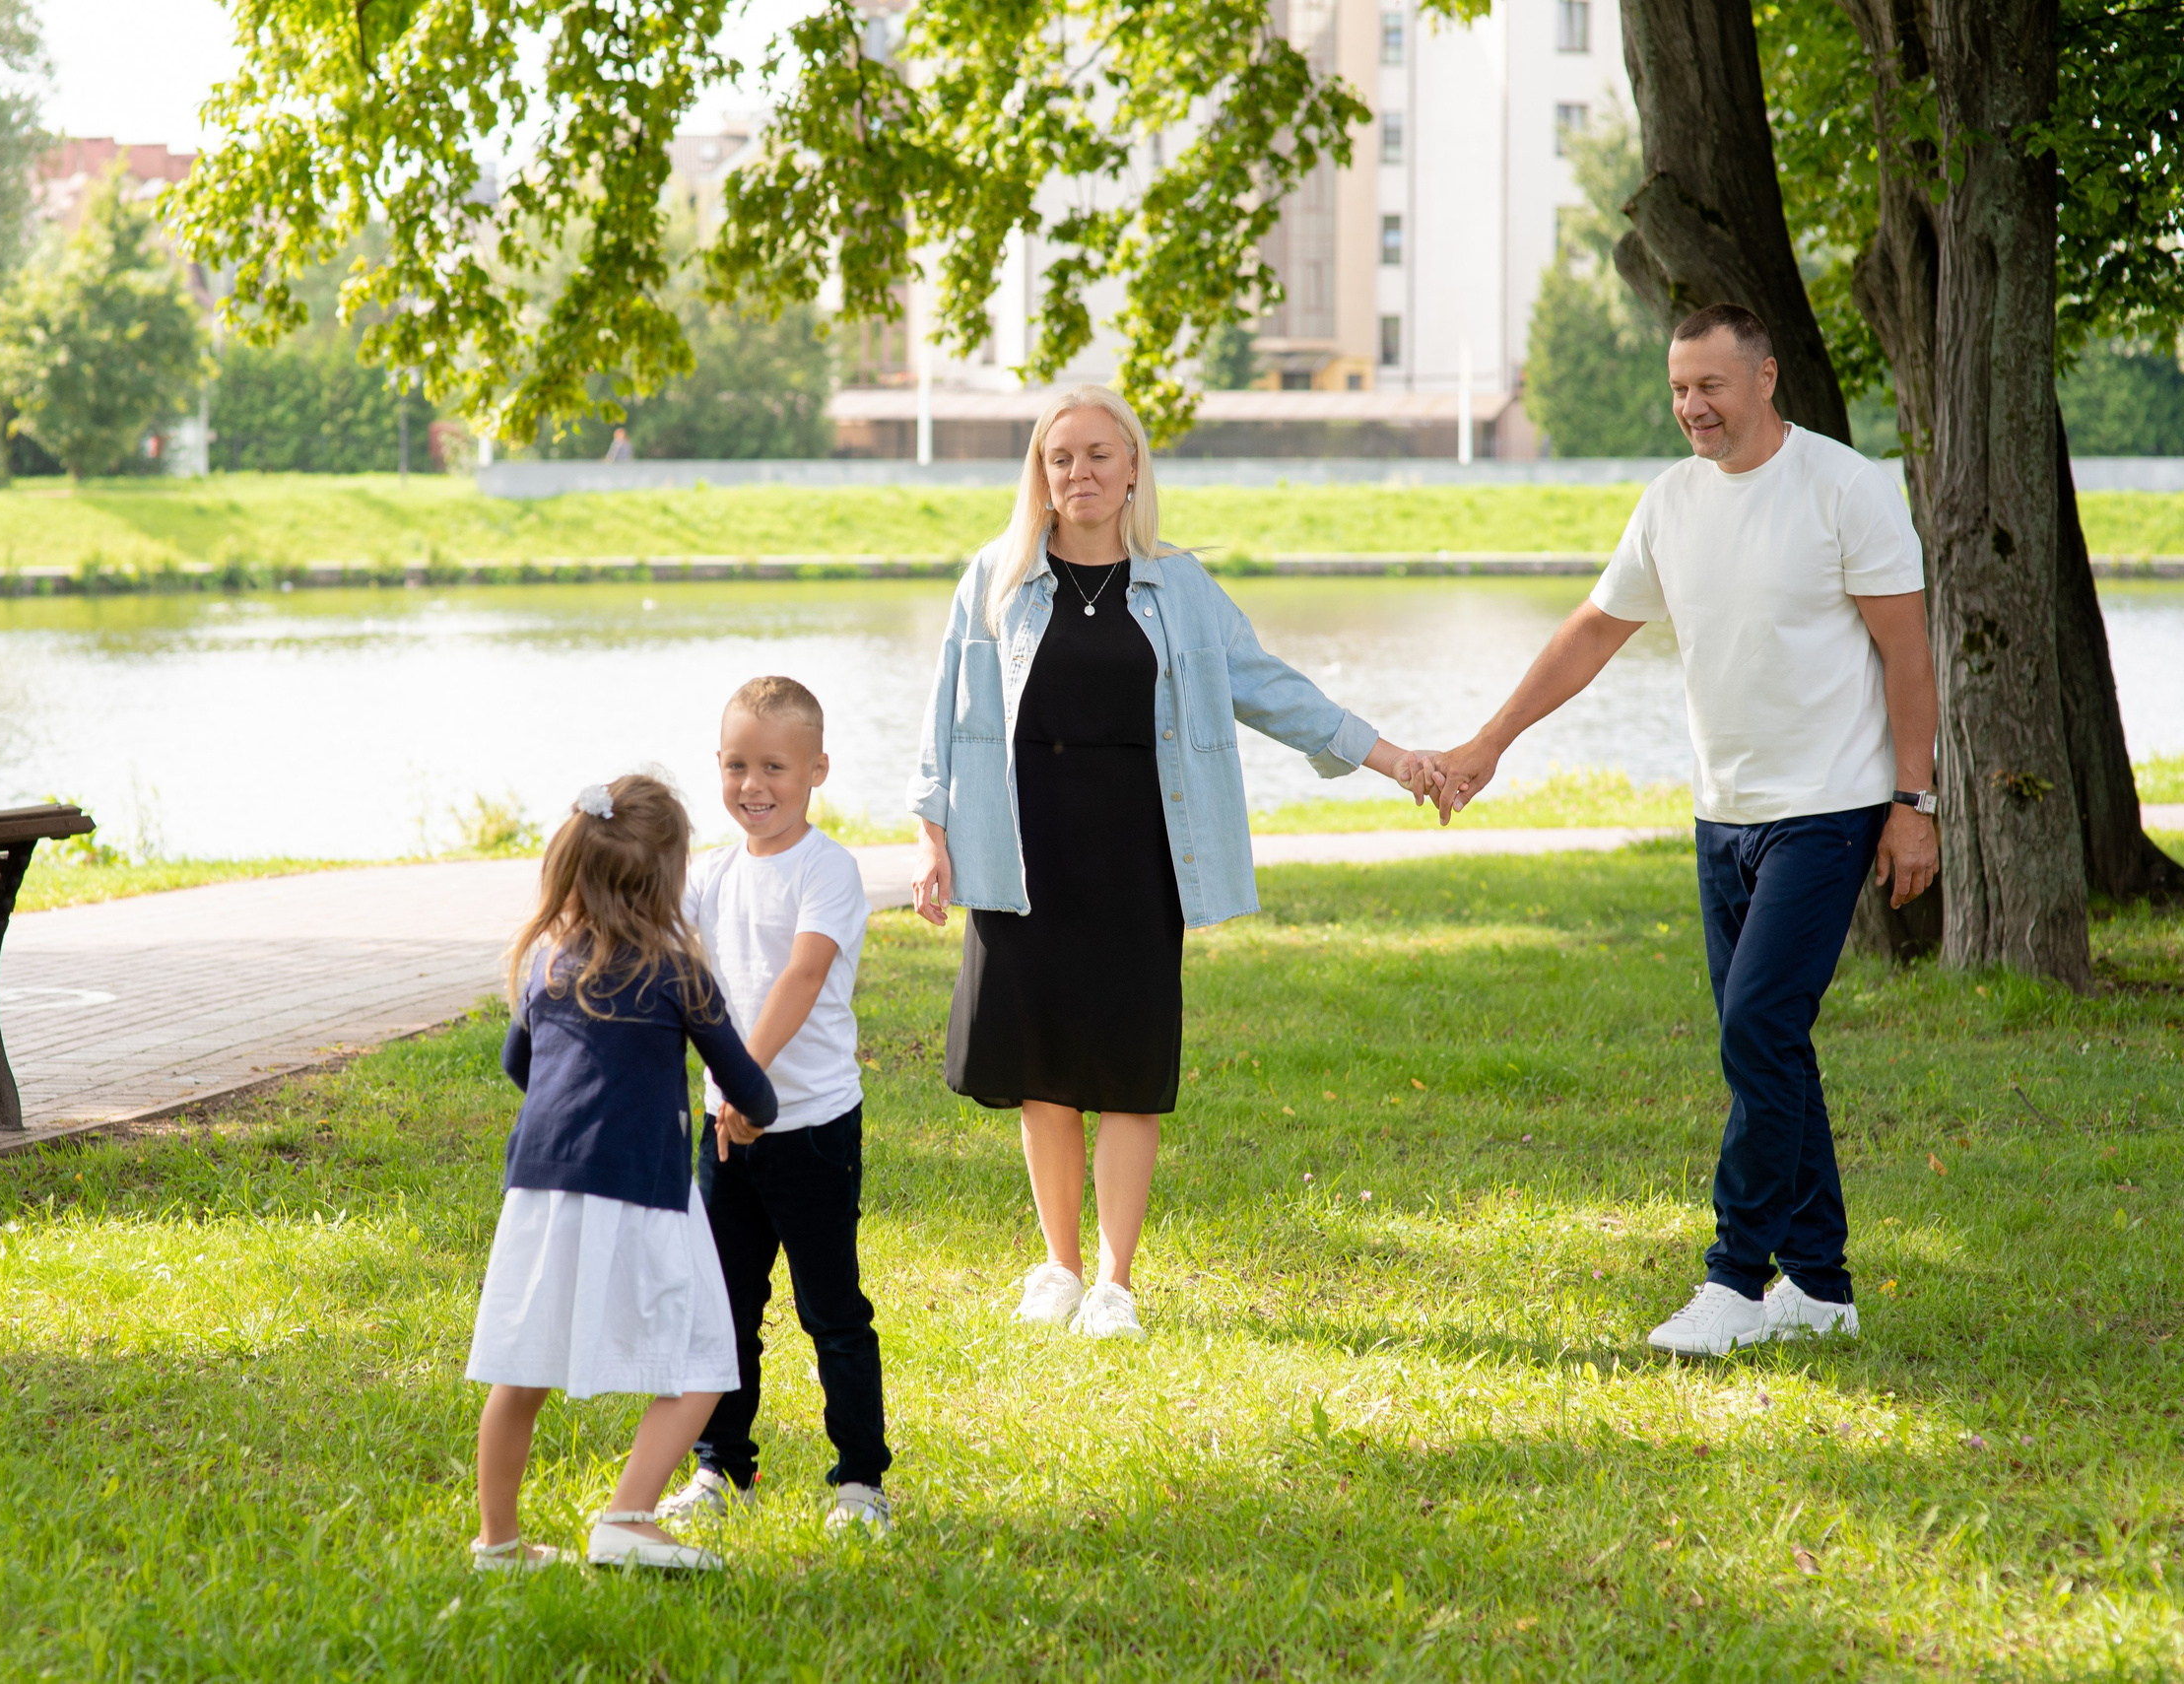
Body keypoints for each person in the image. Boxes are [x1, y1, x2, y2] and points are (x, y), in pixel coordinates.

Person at [1417, 303, 1940, 1359]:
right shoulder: (1670, 502)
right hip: (1722, 813)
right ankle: (1821, 1285)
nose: (1691, 406)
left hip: (1827, 806)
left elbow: (1907, 655)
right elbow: (1593, 630)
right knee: (1769, 1042)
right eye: (1677, 389)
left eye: (1709, 385)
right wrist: (1491, 740)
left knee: (1756, 1027)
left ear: (1765, 378)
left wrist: (1912, 804)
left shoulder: (1844, 488)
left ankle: (1734, 1280)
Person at [909, 383, 1434, 1342]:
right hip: (1022, 850)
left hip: (1138, 853)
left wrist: (1390, 757)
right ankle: (1059, 1267)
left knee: (1128, 1065)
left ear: (1133, 468)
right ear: (1040, 473)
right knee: (1040, 1067)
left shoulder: (1180, 586)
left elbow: (1269, 687)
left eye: (1098, 454)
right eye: (1059, 457)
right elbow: (947, 707)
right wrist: (931, 829)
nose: (1078, 472)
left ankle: (1114, 1282)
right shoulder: (996, 576)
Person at [463, 773, 778, 1575]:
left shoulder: (544, 964)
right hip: (643, 1189)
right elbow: (752, 1089)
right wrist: (743, 1112)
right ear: (667, 879)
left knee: (519, 1370)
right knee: (705, 1355)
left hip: (539, 1193)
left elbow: (520, 1066)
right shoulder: (680, 972)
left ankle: (498, 1542)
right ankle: (629, 1516)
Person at [658, 677, 893, 1536]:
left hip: (813, 1130)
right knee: (723, 1309)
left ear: (817, 769)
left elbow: (801, 975)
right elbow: (658, 947)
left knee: (832, 1310)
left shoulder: (827, 869)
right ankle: (721, 1466)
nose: (752, 784)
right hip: (726, 1135)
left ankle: (860, 1481)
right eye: (735, 765)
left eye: (774, 767)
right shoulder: (710, 876)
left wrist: (745, 1082)